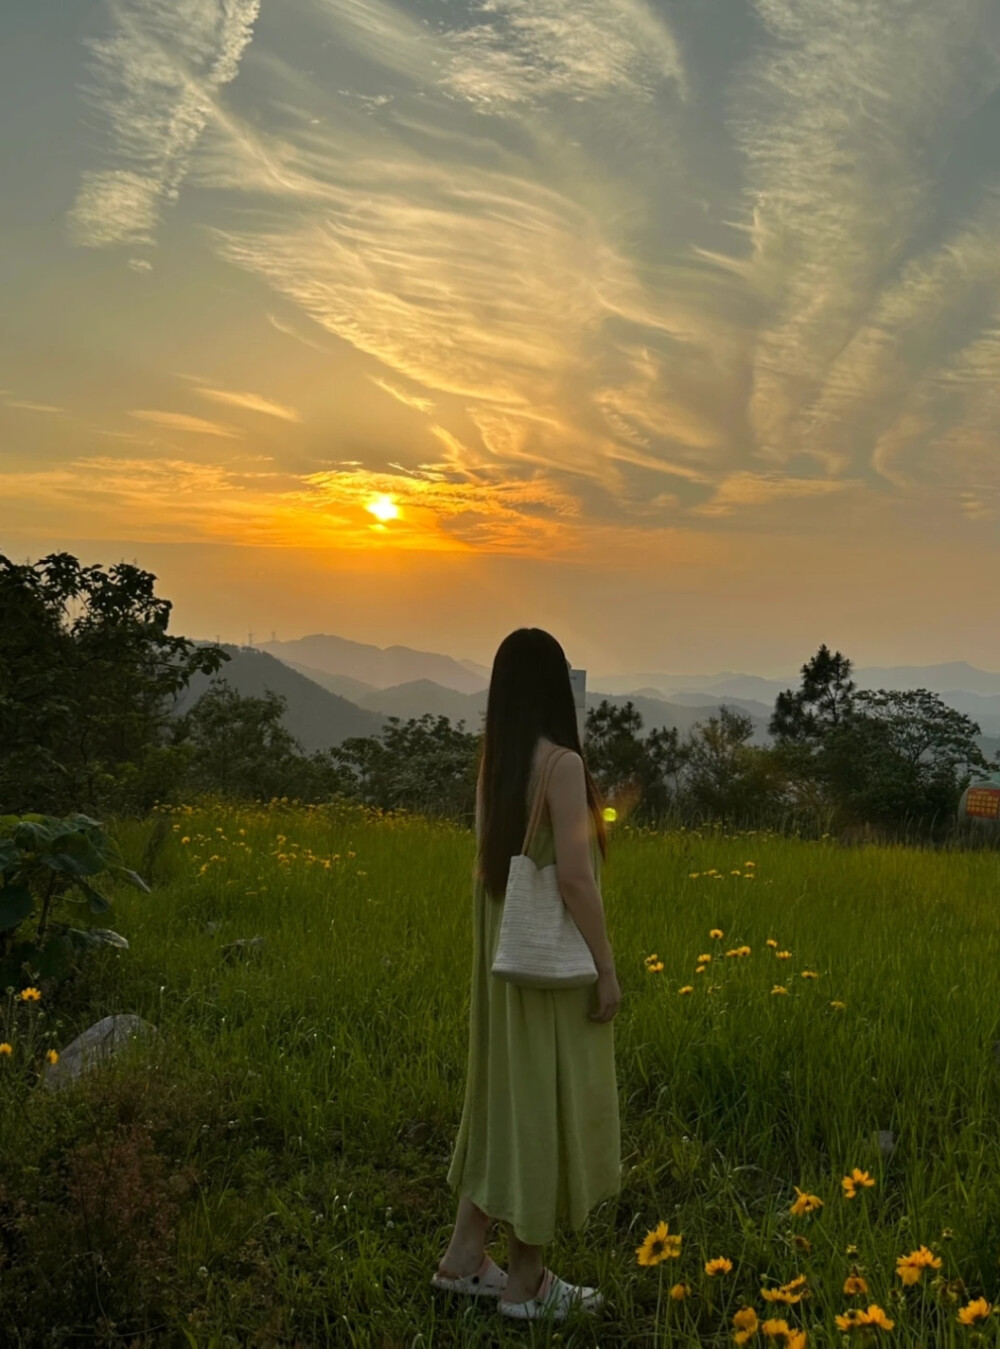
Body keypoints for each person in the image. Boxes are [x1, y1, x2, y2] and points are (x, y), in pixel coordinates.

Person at [431, 628, 622, 1323]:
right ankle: (526, 1281)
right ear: (555, 686)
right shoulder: (563, 766)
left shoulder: (498, 767)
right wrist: (607, 968)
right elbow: (574, 876)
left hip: (502, 974)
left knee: (503, 1105)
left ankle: (462, 1256)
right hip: (548, 976)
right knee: (540, 1110)